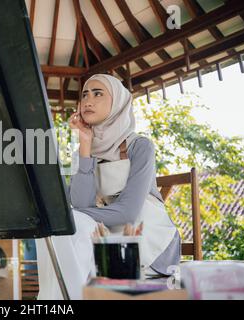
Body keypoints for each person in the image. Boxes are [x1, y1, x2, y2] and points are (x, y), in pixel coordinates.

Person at [36, 74, 181, 300]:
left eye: (98, 93)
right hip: (108, 241)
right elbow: (82, 205)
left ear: (117, 103)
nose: (88, 101)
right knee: (59, 230)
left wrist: (66, 215)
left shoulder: (139, 147)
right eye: (84, 94)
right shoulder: (83, 154)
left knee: (69, 225)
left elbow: (128, 211)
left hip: (151, 243)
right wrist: (84, 146)